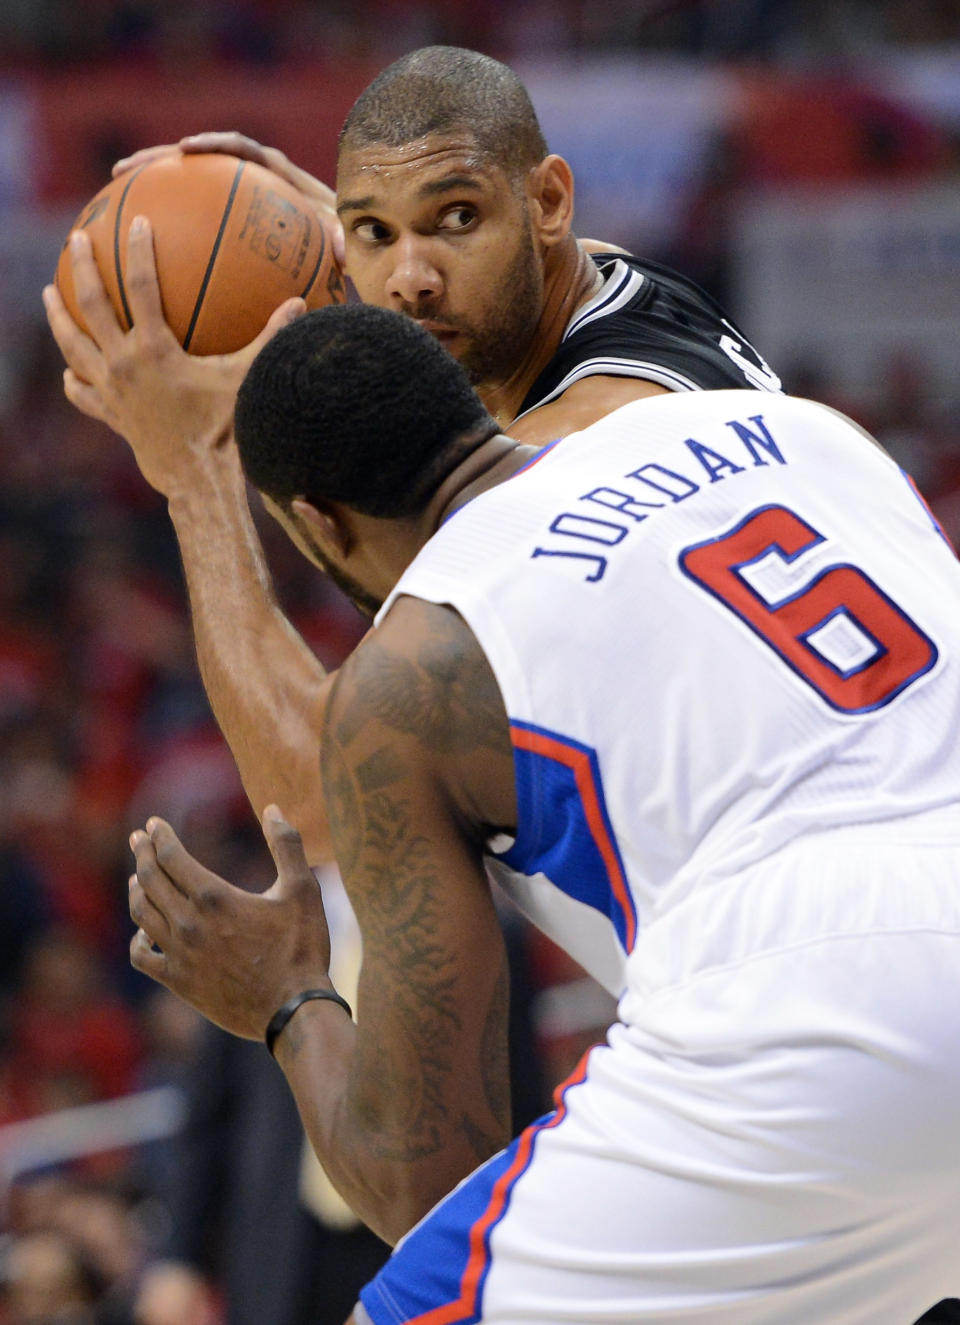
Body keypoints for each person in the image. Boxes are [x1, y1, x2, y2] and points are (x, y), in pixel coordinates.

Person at [122, 302, 960, 1323]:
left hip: (804, 1018)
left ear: (320, 523)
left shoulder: (411, 666)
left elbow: (426, 1182)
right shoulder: (800, 428)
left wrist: (286, 999)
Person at [43, 45, 781, 866]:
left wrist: (196, 471)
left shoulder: (565, 463)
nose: (410, 280)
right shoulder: (621, 286)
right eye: (374, 233)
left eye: (456, 217)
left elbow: (328, 812)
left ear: (549, 202)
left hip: (779, 913)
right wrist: (318, 230)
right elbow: (446, 281)